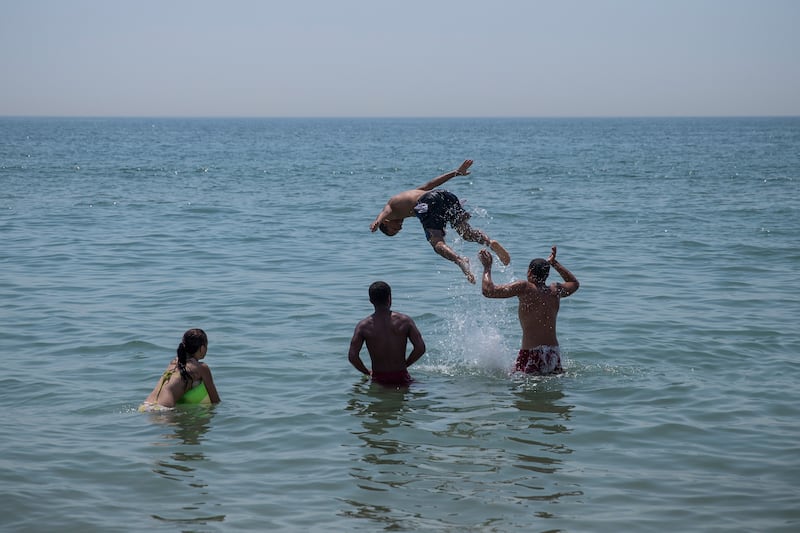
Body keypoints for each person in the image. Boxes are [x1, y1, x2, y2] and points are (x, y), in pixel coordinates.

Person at [370, 159, 510, 283]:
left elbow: (384, 212)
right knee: (466, 232)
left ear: (386, 222)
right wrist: (456, 172)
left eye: (394, 229)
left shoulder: (391, 207)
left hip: (428, 202)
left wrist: (377, 222)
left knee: (436, 241)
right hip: (445, 195)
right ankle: (490, 242)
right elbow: (431, 184)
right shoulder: (411, 194)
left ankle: (459, 260)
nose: (400, 228)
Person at [478, 245, 579, 375]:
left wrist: (487, 267)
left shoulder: (525, 288)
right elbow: (574, 283)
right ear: (547, 275)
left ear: (530, 272)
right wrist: (554, 263)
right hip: (553, 353)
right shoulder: (555, 290)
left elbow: (489, 291)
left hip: (531, 353)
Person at [348, 281, 426, 386]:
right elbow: (420, 348)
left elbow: (353, 356)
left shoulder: (363, 326)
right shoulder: (405, 321)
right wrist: (405, 365)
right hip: (402, 377)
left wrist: (367, 372)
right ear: (390, 298)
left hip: (378, 379)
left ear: (371, 300)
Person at [140, 328, 221, 410]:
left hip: (145, 405)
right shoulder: (202, 368)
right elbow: (215, 401)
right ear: (202, 348)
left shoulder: (174, 362)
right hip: (164, 409)